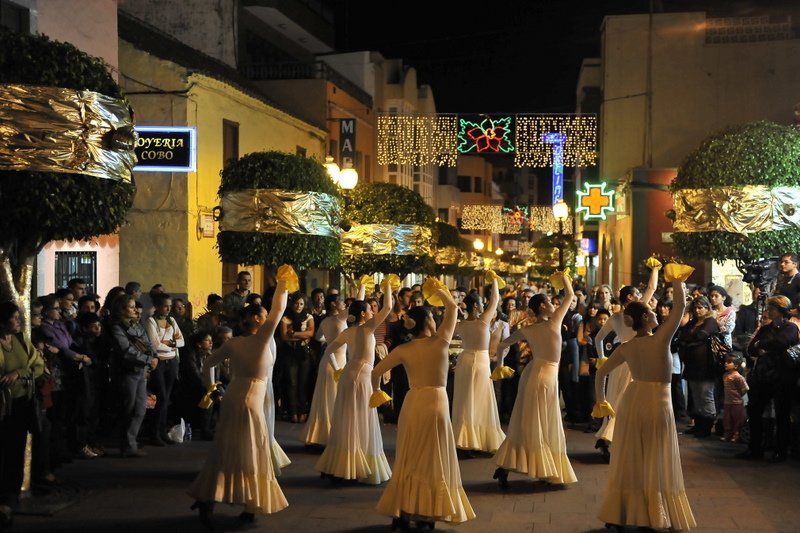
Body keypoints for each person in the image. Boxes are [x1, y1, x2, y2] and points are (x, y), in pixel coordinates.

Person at [593, 278, 696, 531]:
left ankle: (619, 512)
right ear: (646, 319)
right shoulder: (661, 339)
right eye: (651, 311)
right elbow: (680, 308)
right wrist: (677, 281)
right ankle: (652, 514)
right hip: (657, 403)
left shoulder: (626, 347)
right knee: (655, 456)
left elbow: (601, 372)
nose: (656, 312)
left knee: (630, 457)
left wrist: (601, 401)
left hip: (632, 400)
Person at [188, 279, 289, 529]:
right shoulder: (262, 338)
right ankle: (250, 503)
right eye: (262, 314)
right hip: (251, 400)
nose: (267, 317)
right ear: (255, 319)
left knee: (225, 448)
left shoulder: (233, 343)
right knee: (251, 450)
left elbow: (208, 363)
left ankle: (209, 497)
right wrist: (283, 283)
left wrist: (213, 389)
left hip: (233, 395)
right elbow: (279, 309)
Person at [372, 285, 475, 529]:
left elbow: (375, 372)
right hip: (435, 402)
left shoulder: (403, 349)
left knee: (409, 457)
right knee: (433, 458)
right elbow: (452, 309)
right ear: (427, 322)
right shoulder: (440, 342)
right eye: (432, 317)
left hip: (412, 403)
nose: (435, 320)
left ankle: (403, 510)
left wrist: (378, 394)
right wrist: (439, 290)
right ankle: (427, 513)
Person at [492, 273, 578, 489]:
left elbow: (502, 345)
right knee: (542, 423)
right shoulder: (554, 322)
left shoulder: (528, 329)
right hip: (545, 376)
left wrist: (501, 366)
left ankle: (509, 467)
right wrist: (564, 277)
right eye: (549, 302)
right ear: (542, 307)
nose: (553, 305)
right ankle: (543, 470)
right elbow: (570, 295)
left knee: (528, 422)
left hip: (534, 373)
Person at [315, 284, 393, 485]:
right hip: (362, 376)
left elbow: (328, 350)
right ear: (363, 314)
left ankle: (340, 465)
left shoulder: (348, 332)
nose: (372, 311)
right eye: (369, 309)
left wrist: (338, 369)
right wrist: (388, 287)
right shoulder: (367, 327)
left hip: (348, 373)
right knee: (360, 418)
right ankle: (356, 467)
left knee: (346, 418)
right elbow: (388, 307)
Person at [592, 264, 660, 460]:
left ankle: (608, 440)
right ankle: (613, 441)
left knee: (615, 400)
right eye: (637, 294)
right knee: (628, 403)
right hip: (636, 360)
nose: (641, 297)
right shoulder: (637, 313)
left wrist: (602, 358)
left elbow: (598, 339)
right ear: (630, 297)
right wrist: (655, 269)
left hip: (618, 361)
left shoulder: (615, 318)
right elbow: (652, 288)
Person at [737, 295, 799, 463]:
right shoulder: (765, 328)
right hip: (764, 375)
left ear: (781, 310)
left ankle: (780, 452)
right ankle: (755, 448)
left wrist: (762, 344)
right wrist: (761, 345)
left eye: (772, 308)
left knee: (782, 414)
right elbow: (751, 349)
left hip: (783, 377)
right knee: (754, 410)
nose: (768, 311)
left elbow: (781, 341)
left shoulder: (791, 327)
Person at [0, 301, 45, 528]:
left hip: (20, 405)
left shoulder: (20, 341)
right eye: (14, 318)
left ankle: (10, 496)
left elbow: (38, 365)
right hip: (2, 407)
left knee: (16, 451)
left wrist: (19, 372)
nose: (19, 321)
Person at [451, 278, 505, 455]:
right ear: (475, 305)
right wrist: (494, 280)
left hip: (464, 360)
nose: (483, 305)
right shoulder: (483, 321)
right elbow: (495, 299)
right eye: (481, 302)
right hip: (480, 362)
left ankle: (464, 439)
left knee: (465, 399)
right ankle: (479, 439)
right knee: (480, 400)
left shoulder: (460, 324)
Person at [107, 294, 159, 458]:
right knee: (128, 409)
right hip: (127, 372)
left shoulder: (136, 325)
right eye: (131, 307)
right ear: (122, 309)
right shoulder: (117, 328)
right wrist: (148, 359)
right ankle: (127, 444)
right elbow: (126, 351)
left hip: (140, 371)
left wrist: (153, 356)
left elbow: (147, 343)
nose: (135, 310)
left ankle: (131, 442)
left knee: (140, 409)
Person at [303, 291, 355, 448]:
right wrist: (362, 287)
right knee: (335, 398)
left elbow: (318, 337)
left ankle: (320, 435)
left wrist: (330, 340)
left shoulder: (325, 321)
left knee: (324, 399)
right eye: (341, 302)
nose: (344, 304)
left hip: (327, 362)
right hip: (337, 363)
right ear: (334, 304)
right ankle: (332, 436)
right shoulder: (340, 318)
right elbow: (357, 303)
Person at [676, 295, 720, 438]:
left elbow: (701, 335)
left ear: (707, 308)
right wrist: (690, 341)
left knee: (706, 396)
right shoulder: (693, 322)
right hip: (692, 364)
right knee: (696, 397)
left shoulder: (710, 321)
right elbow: (682, 336)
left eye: (700, 307)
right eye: (695, 308)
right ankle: (698, 425)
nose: (697, 310)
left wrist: (688, 341)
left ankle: (706, 427)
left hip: (706, 365)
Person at [144, 293, 184, 446]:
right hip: (159, 362)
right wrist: (172, 345)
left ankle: (162, 431)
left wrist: (170, 343)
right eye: (165, 306)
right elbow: (155, 344)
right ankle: (154, 432)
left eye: (170, 306)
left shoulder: (171, 320)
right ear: (157, 306)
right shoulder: (151, 321)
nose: (168, 309)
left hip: (172, 362)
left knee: (166, 398)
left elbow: (181, 341)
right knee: (161, 397)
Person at [720, 354, 748, 442]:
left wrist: (739, 395)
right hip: (727, 402)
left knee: (737, 419)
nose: (726, 364)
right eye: (726, 362)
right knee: (727, 419)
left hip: (736, 402)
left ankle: (736, 434)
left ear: (736, 366)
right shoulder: (725, 375)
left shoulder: (737, 376)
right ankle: (728, 433)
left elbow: (745, 388)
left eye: (729, 362)